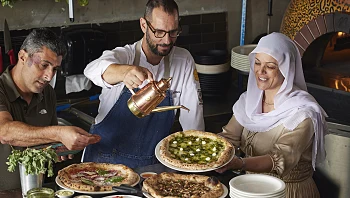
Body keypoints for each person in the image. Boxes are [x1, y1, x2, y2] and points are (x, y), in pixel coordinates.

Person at [83, 0, 204, 168]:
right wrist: (124, 72)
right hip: (105, 163)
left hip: (151, 167)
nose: (167, 40)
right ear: (143, 25)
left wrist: (197, 163)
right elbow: (91, 70)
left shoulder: (183, 60)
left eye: (173, 32)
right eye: (159, 32)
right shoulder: (124, 56)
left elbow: (193, 120)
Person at [216, 32, 328, 198]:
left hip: (288, 191)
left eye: (270, 66)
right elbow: (229, 138)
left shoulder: (303, 112)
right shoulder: (249, 101)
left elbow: (279, 159)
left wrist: (239, 163)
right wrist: (203, 150)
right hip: (249, 189)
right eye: (257, 63)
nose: (261, 71)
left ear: (286, 69)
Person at [0, 28, 101, 190]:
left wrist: (58, 148)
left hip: (40, 190)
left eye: (55, 69)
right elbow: (5, 132)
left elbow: (45, 142)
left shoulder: (47, 93)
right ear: (22, 57)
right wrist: (59, 133)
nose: (49, 76)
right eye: (44, 65)